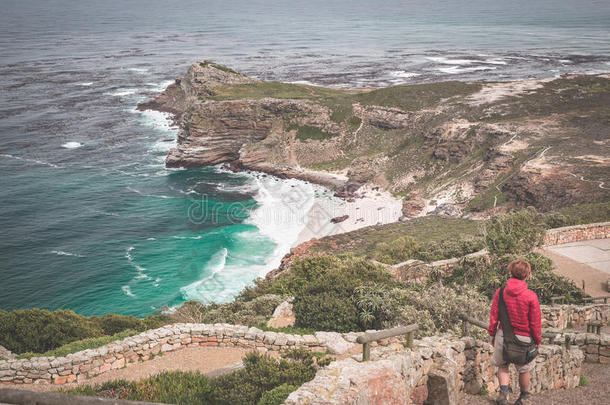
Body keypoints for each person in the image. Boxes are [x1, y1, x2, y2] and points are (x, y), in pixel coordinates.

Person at [488, 259, 541, 405]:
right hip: (524, 339)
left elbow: (494, 315)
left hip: (503, 335)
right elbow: (535, 323)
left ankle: (503, 396)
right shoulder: (531, 296)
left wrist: (492, 334)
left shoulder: (501, 292)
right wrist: (537, 341)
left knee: (503, 365)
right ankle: (524, 397)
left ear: (510, 273)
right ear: (527, 275)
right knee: (524, 370)